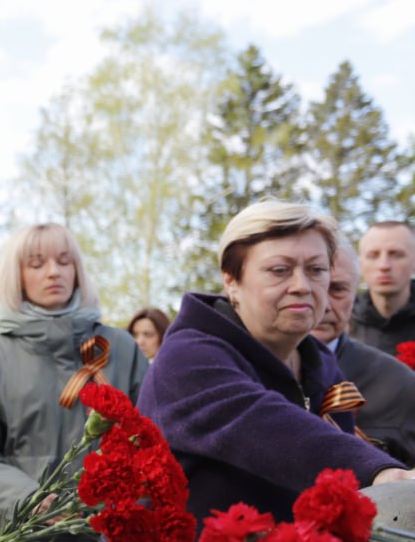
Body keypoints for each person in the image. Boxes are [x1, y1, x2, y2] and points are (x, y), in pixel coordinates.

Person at [138, 200, 414, 525]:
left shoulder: (320, 364)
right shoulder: (187, 358)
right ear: (231, 280)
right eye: (279, 271)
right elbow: (265, 426)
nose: (301, 286)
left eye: (316, 270)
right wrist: (384, 473)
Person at [0, 222, 148, 534]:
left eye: (65, 261)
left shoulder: (121, 348)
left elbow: (154, 436)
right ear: (18, 276)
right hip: (26, 539)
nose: (54, 272)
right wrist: (26, 498)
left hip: (116, 539)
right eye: (37, 264)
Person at [311, 241, 415, 467]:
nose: (323, 304)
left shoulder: (398, 384)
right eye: (313, 285)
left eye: (337, 289)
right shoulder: (232, 370)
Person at [351, 221, 415, 355]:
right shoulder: (341, 321)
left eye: (396, 254)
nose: (384, 265)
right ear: (360, 263)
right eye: (373, 255)